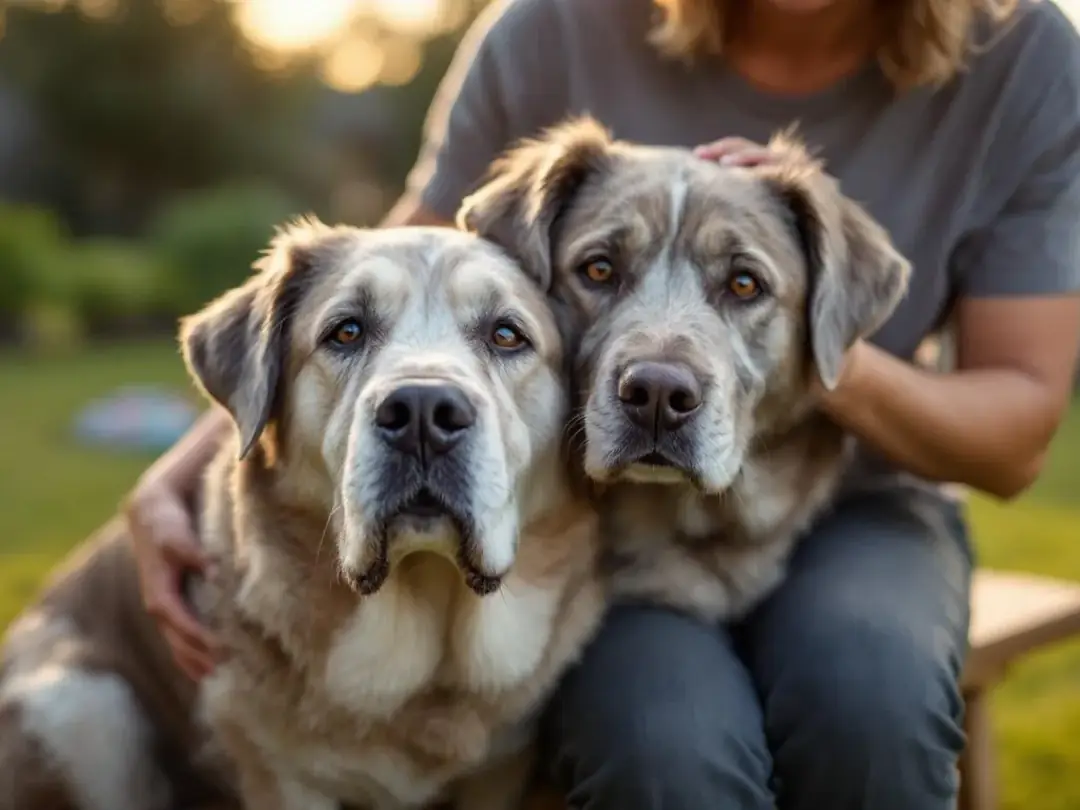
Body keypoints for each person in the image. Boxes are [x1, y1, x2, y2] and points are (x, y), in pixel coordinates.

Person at [125, 1, 1080, 808]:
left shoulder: (1026, 54)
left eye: (740, 286)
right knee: (664, 749)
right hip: (595, 527)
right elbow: (392, 273)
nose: (661, 370)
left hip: (856, 496)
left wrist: (818, 332)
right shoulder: (558, 23)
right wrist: (184, 464)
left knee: (869, 706)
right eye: (596, 270)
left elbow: (1019, 431)